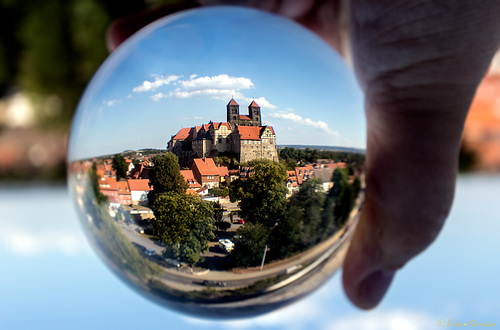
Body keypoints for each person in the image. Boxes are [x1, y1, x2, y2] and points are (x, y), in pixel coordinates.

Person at [107, 0, 500, 309]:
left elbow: (259, 145)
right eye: (237, 114)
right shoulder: (217, 133)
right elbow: (215, 146)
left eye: (243, 114)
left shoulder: (255, 129)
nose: (242, 116)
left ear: (247, 115)